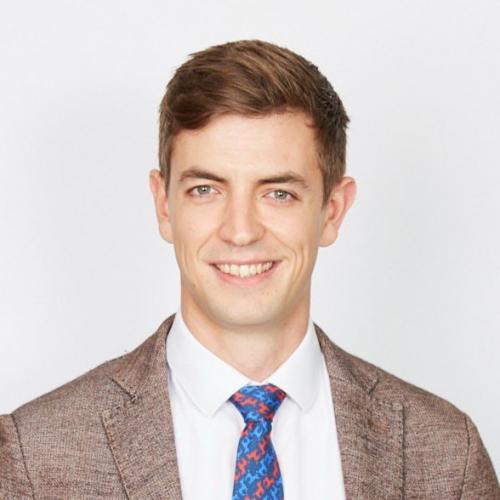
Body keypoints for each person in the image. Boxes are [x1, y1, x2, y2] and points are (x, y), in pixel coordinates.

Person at [1, 39, 498, 500]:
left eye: (278, 193)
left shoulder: (446, 453)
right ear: (164, 205)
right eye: (205, 190)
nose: (240, 231)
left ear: (332, 210)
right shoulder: (35, 457)